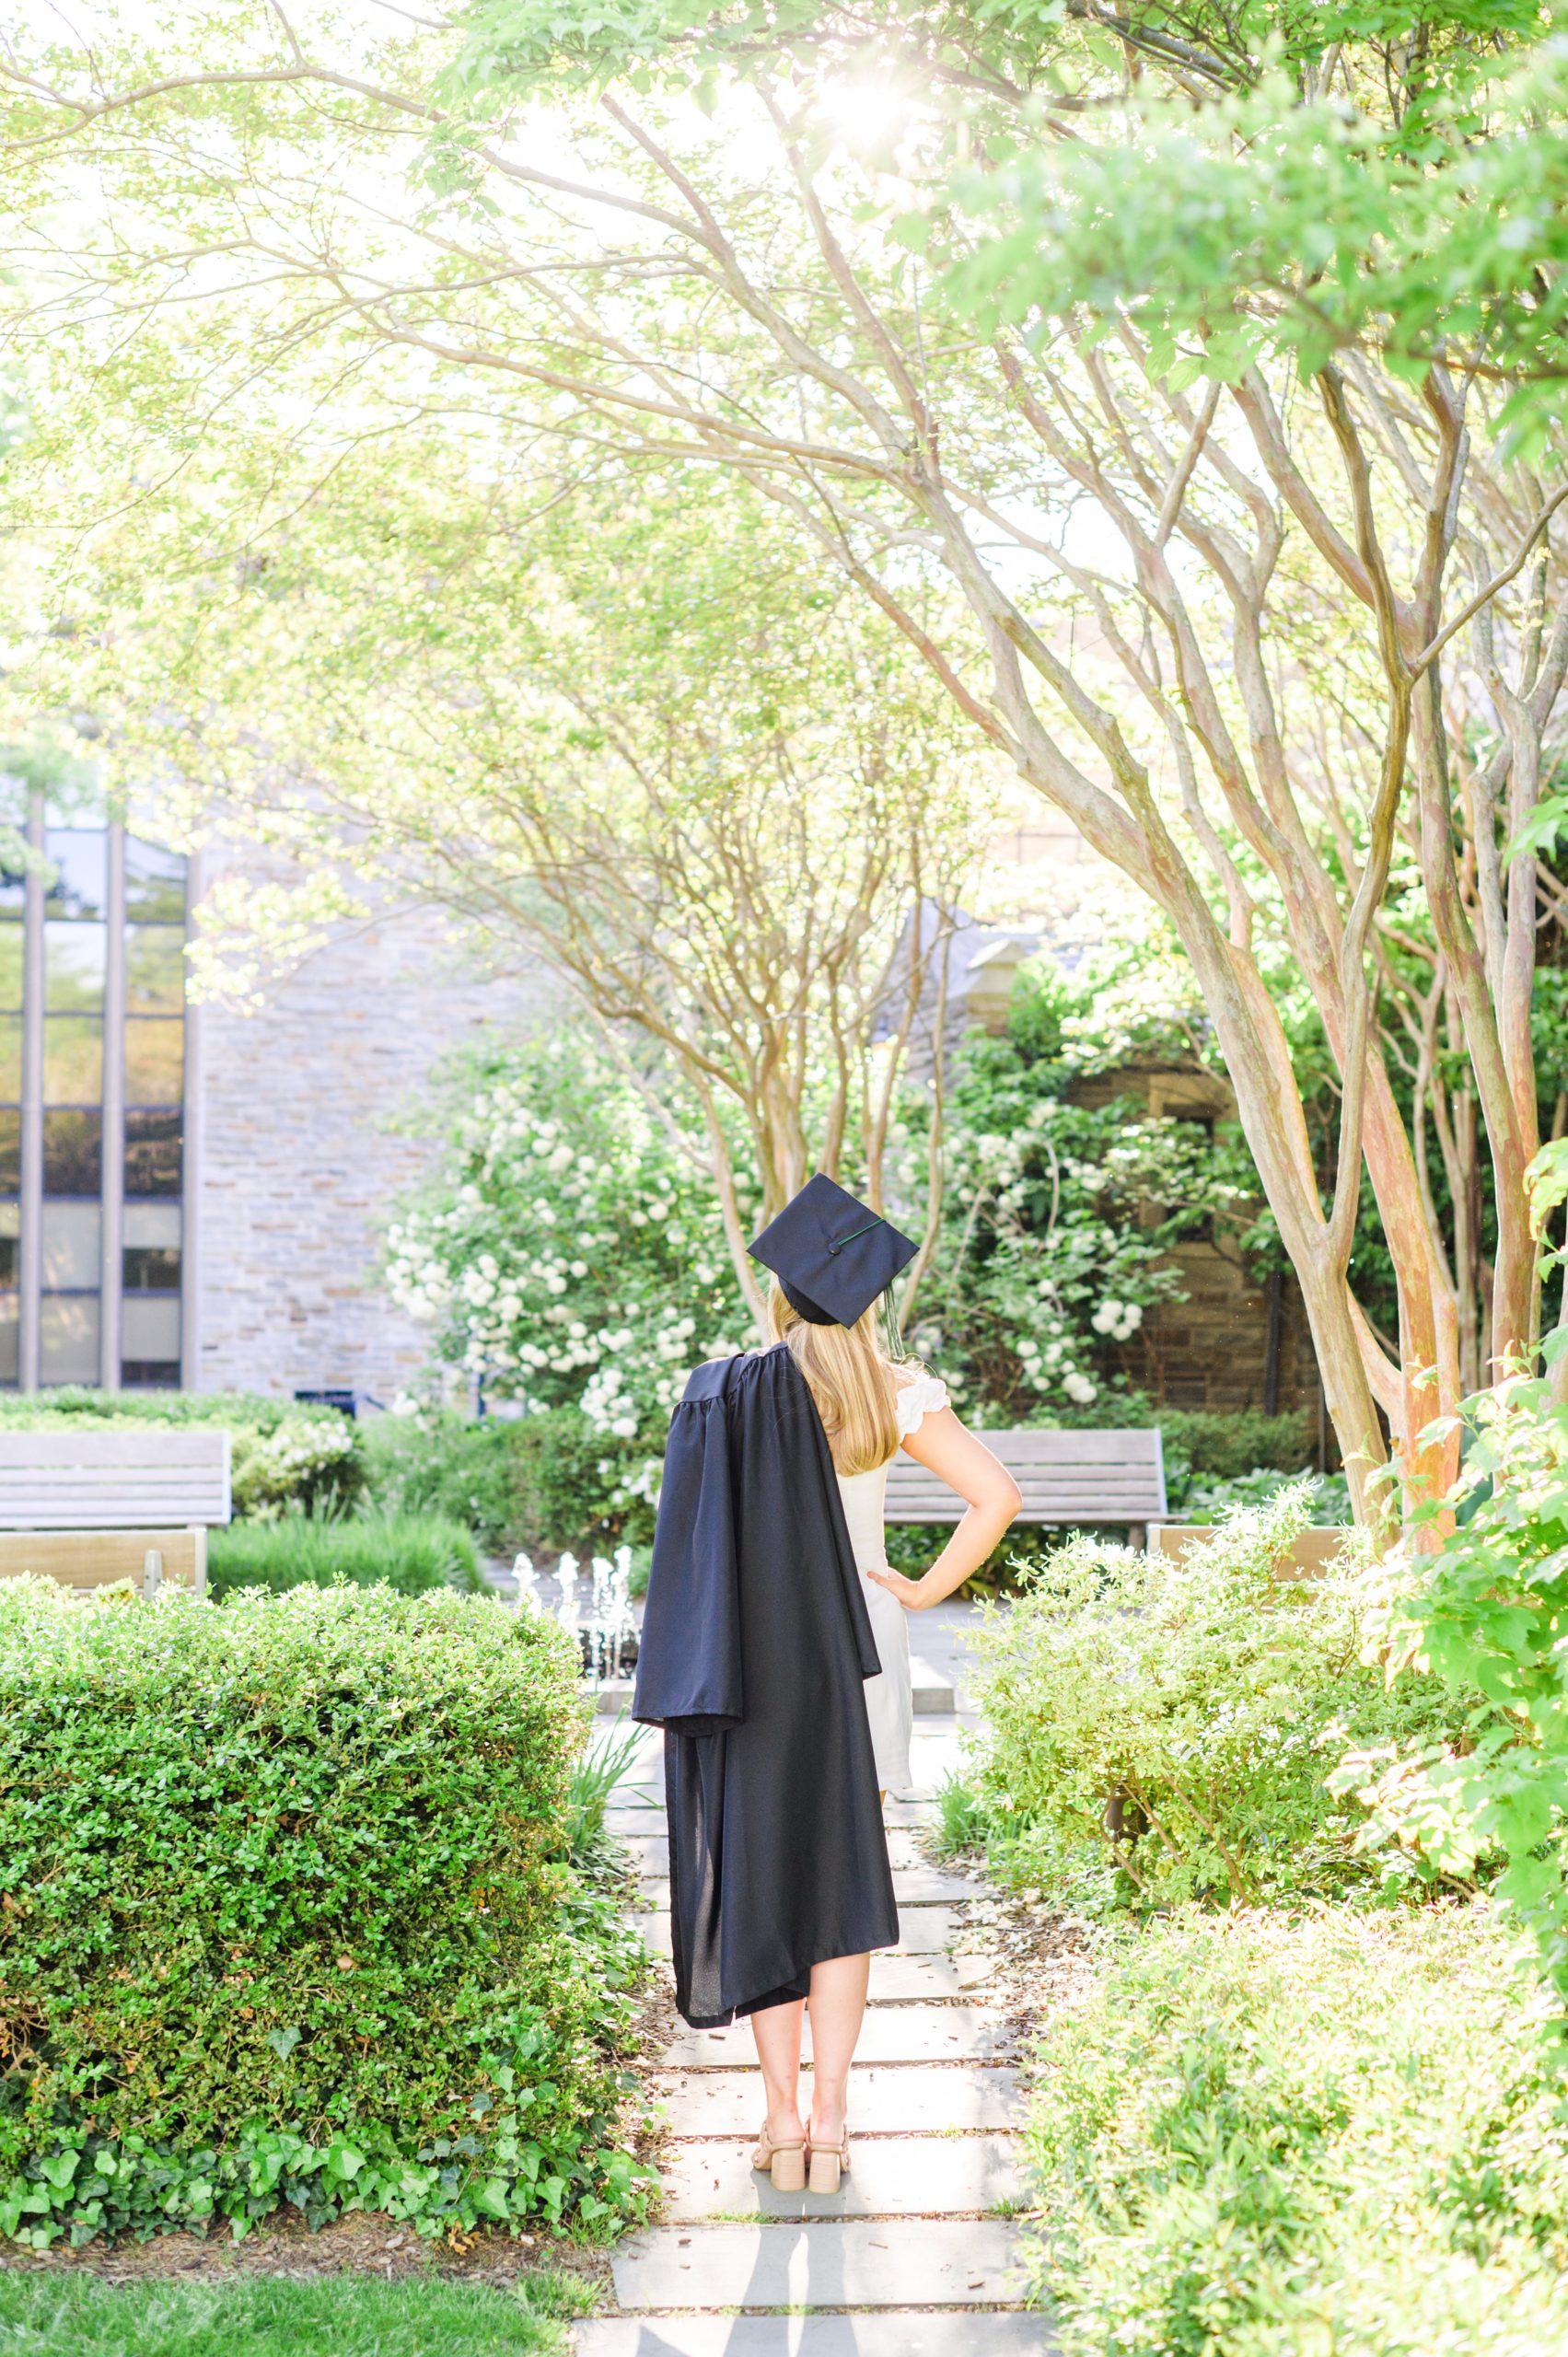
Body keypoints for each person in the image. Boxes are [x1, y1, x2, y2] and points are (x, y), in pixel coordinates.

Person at [633, 1174, 1021, 2197]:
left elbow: (691, 1549)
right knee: (843, 1884)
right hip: (861, 1653)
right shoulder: (895, 1393)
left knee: (766, 1877)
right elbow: (995, 1496)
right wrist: (923, 1587)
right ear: (862, 1300)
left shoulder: (725, 1390)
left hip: (754, 1656)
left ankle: (779, 2114)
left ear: (782, 1295)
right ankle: (836, 2117)